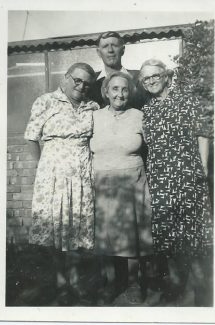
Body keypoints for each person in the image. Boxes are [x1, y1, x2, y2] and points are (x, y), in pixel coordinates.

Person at [139, 58, 213, 306]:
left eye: (154, 76)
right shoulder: (147, 110)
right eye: (145, 78)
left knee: (193, 237)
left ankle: (198, 291)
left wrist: (202, 168)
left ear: (166, 76)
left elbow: (202, 133)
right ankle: (177, 288)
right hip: (160, 180)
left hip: (188, 176)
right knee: (167, 238)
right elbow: (150, 145)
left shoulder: (188, 101)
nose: (150, 81)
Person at [24, 62, 100, 305]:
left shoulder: (93, 106)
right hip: (53, 173)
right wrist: (42, 167)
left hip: (82, 174)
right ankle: (60, 280)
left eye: (87, 83)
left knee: (78, 225)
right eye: (77, 80)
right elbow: (31, 137)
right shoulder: (46, 101)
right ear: (66, 78)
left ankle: (76, 280)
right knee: (54, 226)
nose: (81, 86)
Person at [90, 71, 153, 305]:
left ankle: (134, 283)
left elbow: (153, 146)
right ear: (106, 92)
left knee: (132, 234)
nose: (120, 94)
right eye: (115, 89)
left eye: (125, 89)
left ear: (130, 93)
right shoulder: (93, 116)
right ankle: (110, 282)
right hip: (102, 181)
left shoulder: (139, 116)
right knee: (104, 233)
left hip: (132, 179)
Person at [88, 31, 144, 108]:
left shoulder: (138, 78)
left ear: (123, 50)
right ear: (98, 52)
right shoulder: (91, 82)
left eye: (114, 45)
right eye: (105, 46)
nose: (110, 50)